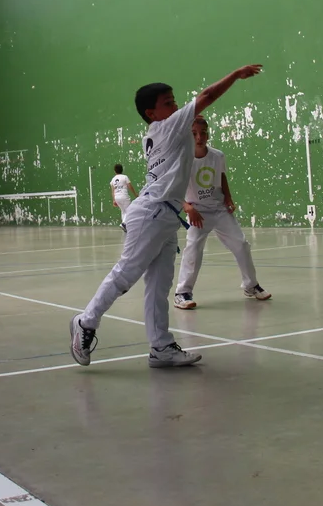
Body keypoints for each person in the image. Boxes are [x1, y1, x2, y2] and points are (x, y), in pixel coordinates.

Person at [69, 63, 263, 368]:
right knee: (125, 275)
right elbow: (208, 96)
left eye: (175, 101)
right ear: (152, 113)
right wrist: (236, 75)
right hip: (151, 213)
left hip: (167, 216)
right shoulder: (167, 126)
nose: (175, 106)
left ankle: (161, 347)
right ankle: (85, 321)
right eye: (168, 103)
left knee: (159, 287)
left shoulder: (161, 131)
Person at [174, 115, 269, 310]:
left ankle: (251, 286)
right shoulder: (182, 159)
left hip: (219, 209)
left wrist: (228, 198)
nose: (199, 137)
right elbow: (173, 187)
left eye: (203, 133)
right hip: (197, 211)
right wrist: (187, 207)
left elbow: (222, 177)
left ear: (208, 135)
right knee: (193, 249)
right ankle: (182, 293)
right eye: (194, 134)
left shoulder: (217, 156)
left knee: (241, 244)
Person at [109, 163, 138, 231]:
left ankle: (125, 227)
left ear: (115, 171)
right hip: (124, 196)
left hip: (117, 197)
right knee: (129, 210)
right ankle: (123, 223)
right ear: (122, 170)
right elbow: (130, 186)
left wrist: (114, 200)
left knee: (123, 211)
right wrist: (135, 194)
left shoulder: (113, 179)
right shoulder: (125, 177)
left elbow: (113, 191)